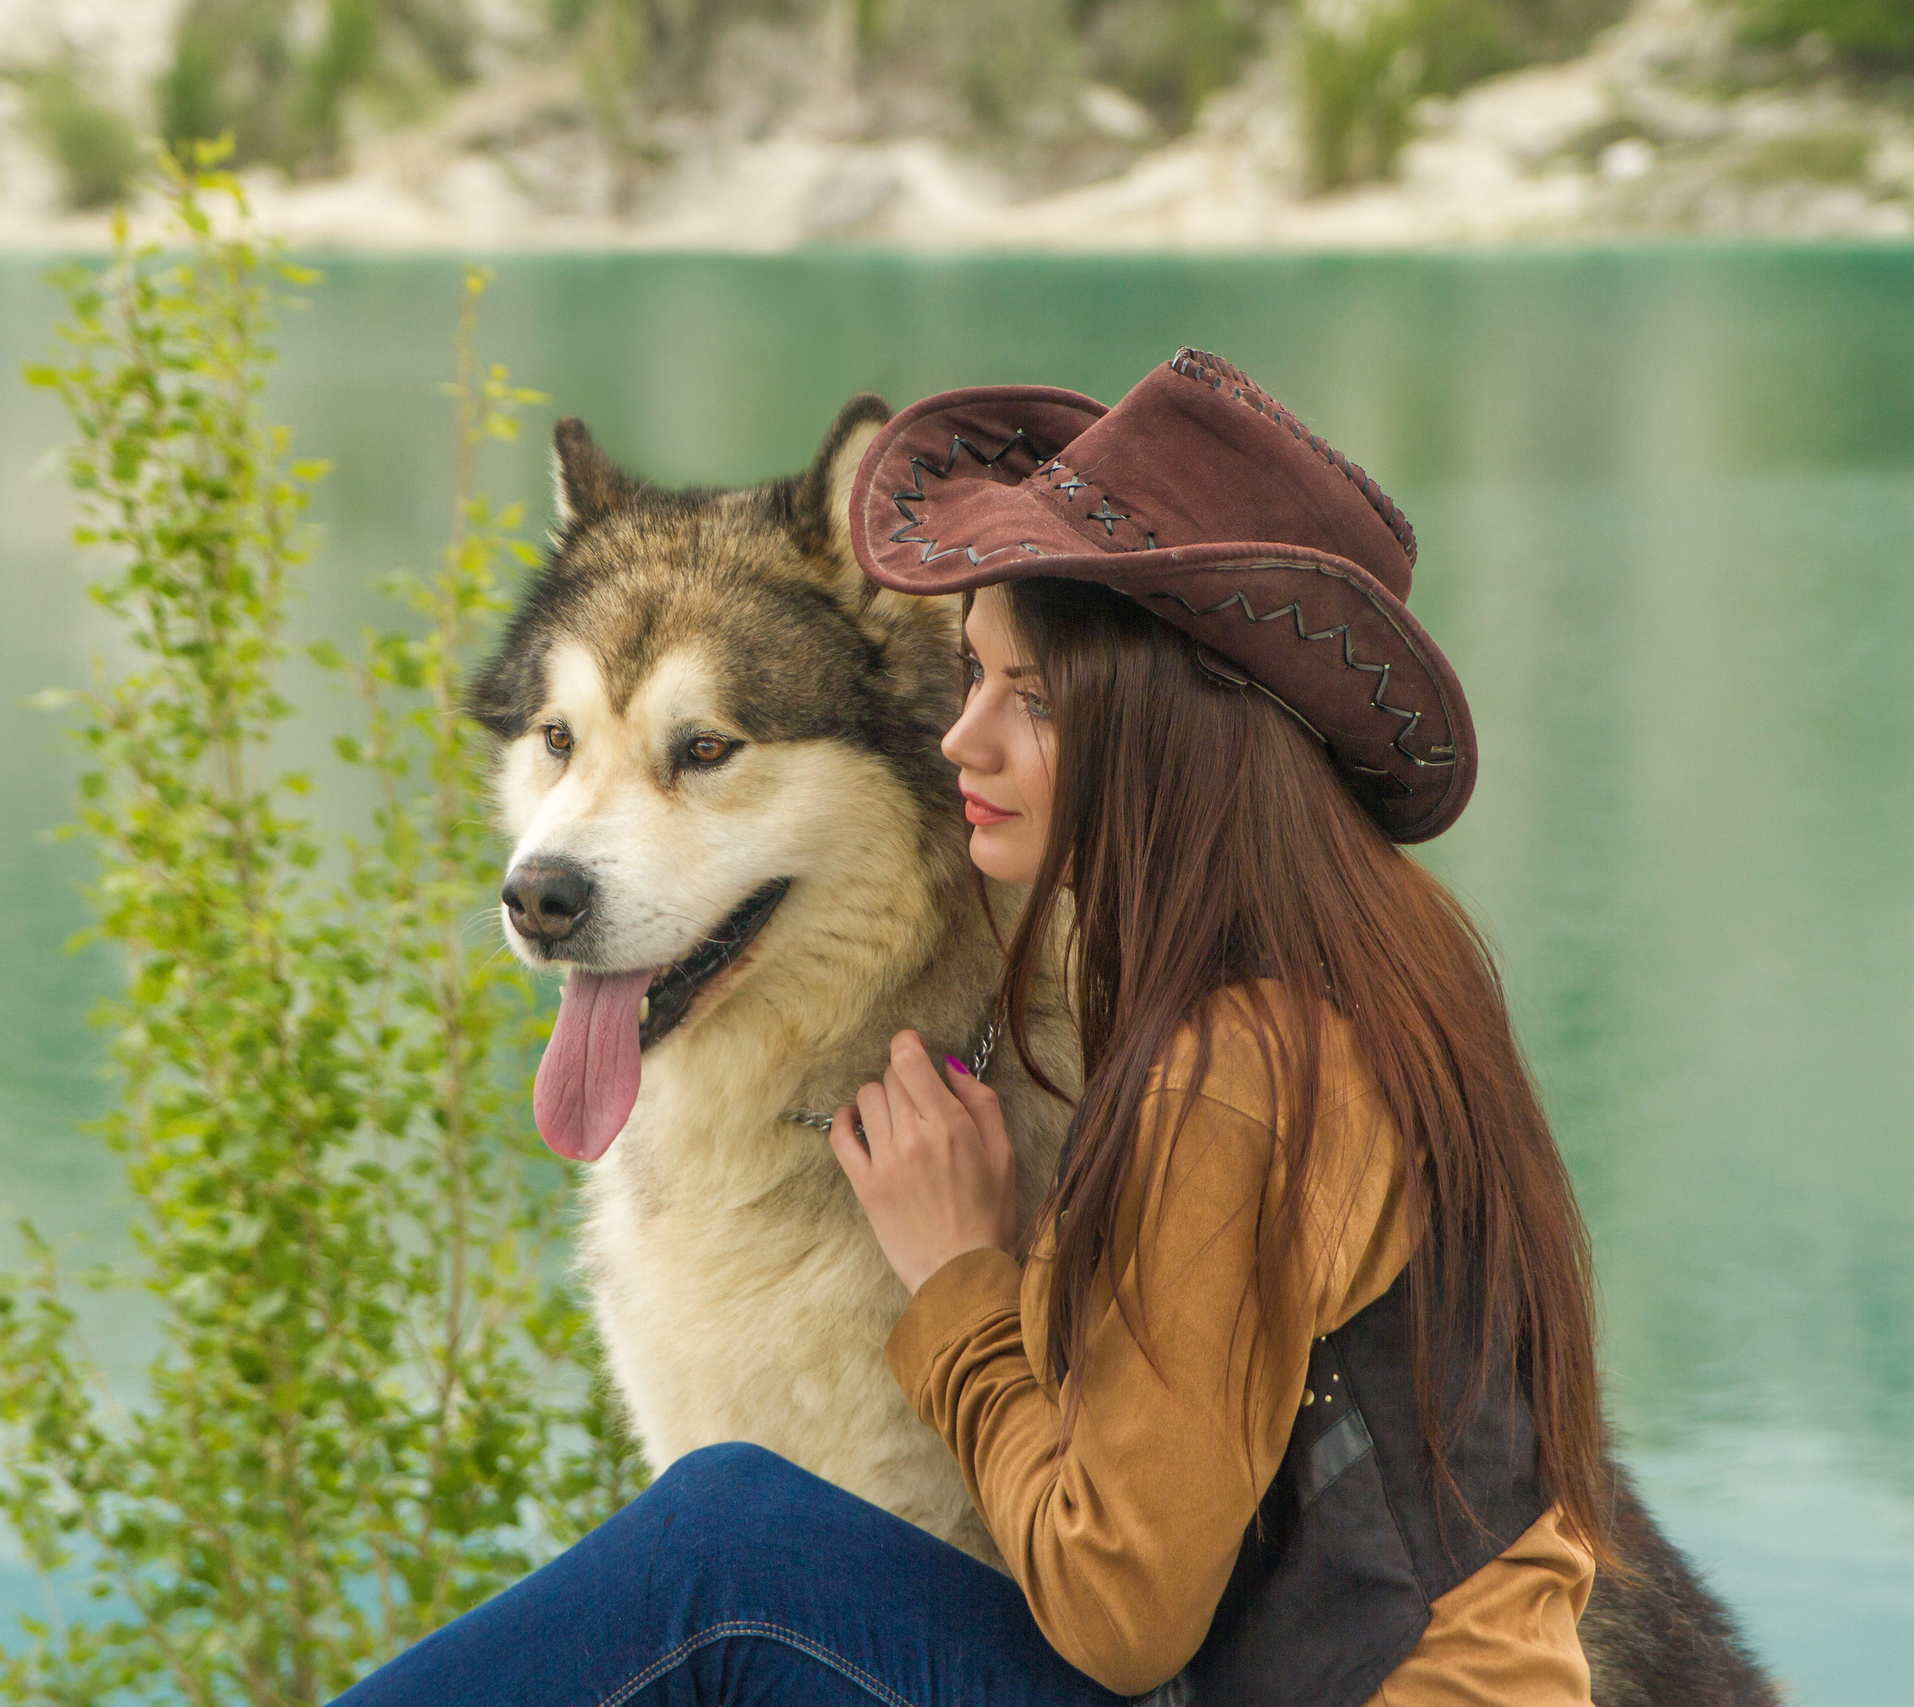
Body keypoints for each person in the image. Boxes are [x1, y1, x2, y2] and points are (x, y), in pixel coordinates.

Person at [333, 351, 1607, 1707]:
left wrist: (956, 1287)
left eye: (1030, 701)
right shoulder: (1336, 968)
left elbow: (1124, 1614)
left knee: (720, 1563)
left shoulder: (1242, 1066)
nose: (959, 737)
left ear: (1175, 739)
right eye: (974, 679)